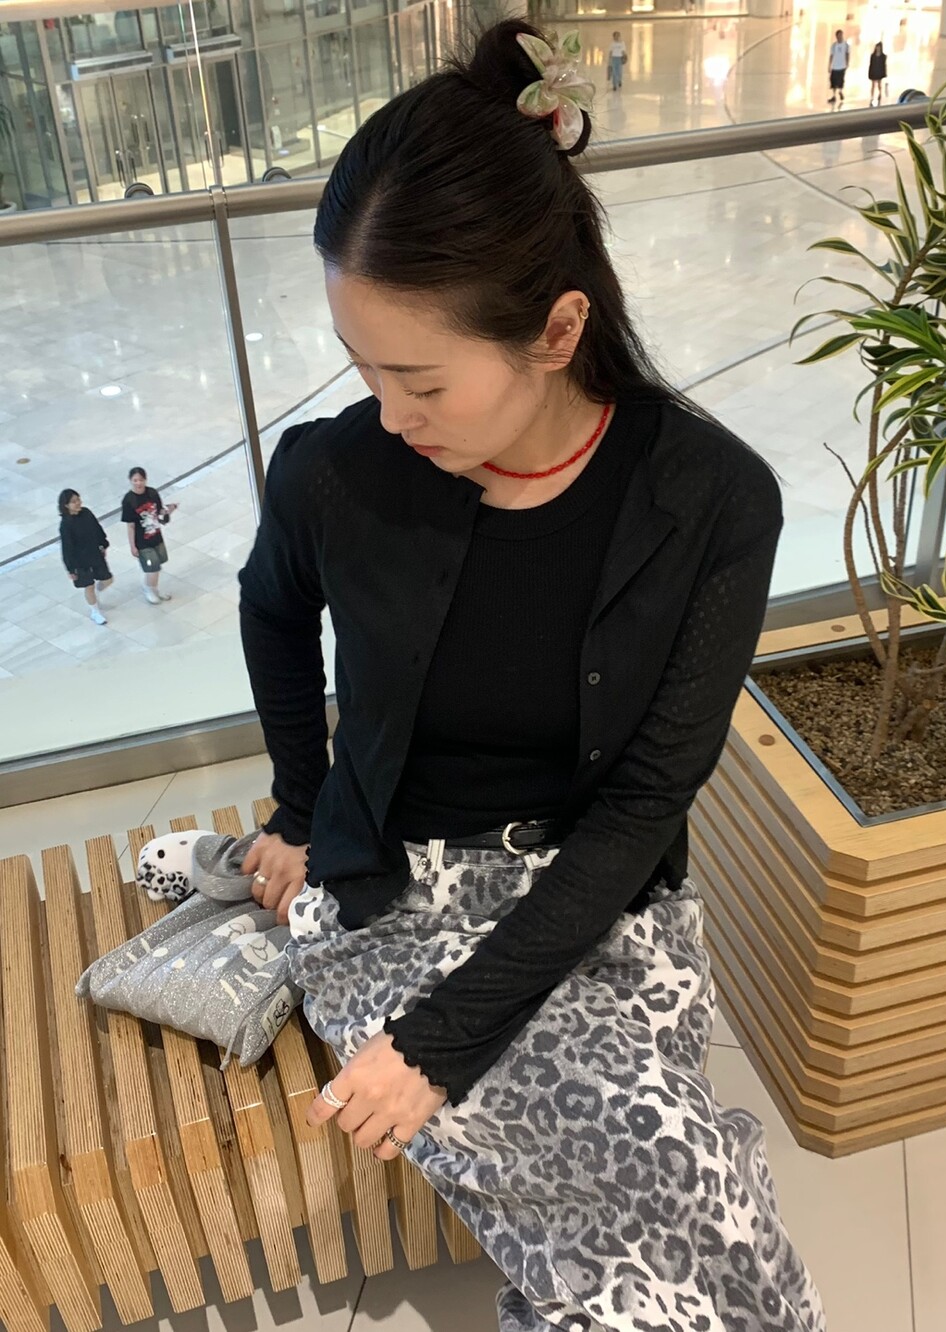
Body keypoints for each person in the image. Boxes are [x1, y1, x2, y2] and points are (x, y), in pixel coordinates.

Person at [239, 20, 827, 1332]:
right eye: (364, 369)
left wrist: (443, 1045)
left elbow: (642, 809)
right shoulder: (338, 473)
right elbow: (270, 610)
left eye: (420, 380)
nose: (388, 414)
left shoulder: (711, 503)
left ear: (558, 330)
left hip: (594, 905)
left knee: (685, 1184)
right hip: (392, 906)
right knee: (655, 1195)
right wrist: (299, 802)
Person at [121, 466, 177, 604]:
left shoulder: (152, 493)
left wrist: (168, 511)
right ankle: (149, 589)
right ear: (130, 481)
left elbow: (159, 512)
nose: (138, 483)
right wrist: (133, 546)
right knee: (152, 567)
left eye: (141, 480)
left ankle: (154, 588)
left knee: (159, 562)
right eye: (135, 480)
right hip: (142, 541)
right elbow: (130, 525)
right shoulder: (129, 500)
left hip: (156, 536)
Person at [58, 489, 114, 626]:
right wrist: (70, 569)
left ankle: (95, 596)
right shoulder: (66, 524)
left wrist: (103, 544)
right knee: (89, 585)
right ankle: (95, 611)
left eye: (78, 499)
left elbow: (97, 529)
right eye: (73, 502)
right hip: (80, 561)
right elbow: (67, 548)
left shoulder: (86, 513)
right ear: (66, 505)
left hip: (94, 554)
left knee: (107, 579)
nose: (78, 503)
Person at [828, 28, 850, 105]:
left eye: (841, 35)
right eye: (838, 35)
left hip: (842, 66)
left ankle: (840, 91)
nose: (840, 37)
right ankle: (834, 95)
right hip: (835, 66)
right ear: (836, 36)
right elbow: (831, 55)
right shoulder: (834, 46)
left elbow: (847, 54)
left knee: (840, 80)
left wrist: (847, 63)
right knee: (833, 81)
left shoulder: (846, 45)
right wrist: (829, 65)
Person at [868, 40, 887, 105]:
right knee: (873, 85)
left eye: (879, 47)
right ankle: (872, 96)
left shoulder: (883, 56)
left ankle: (880, 94)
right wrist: (870, 73)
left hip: (879, 72)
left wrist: (884, 73)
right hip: (873, 71)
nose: (878, 48)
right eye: (877, 47)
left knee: (879, 84)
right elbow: (871, 65)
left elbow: (884, 65)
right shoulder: (873, 56)